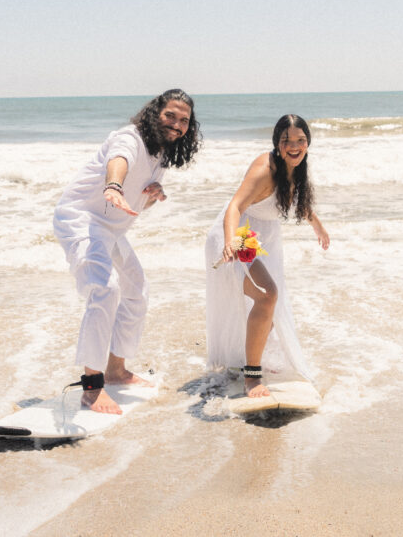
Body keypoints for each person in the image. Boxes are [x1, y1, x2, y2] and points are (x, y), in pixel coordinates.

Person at [54, 89, 201, 414]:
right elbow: (118, 161)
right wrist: (113, 185)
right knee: (105, 290)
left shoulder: (160, 154)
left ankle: (116, 370)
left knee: (136, 290)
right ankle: (91, 389)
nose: (176, 124)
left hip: (111, 230)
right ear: (154, 113)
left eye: (184, 121)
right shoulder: (130, 138)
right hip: (81, 219)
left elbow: (138, 203)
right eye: (170, 116)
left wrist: (153, 194)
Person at [205, 114, 329, 396]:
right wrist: (230, 242)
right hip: (239, 236)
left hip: (265, 240)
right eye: (287, 141)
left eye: (301, 140)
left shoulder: (296, 167)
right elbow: (234, 206)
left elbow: (297, 200)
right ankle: (252, 377)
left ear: (308, 143)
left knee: (269, 304)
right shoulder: (265, 169)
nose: (294, 146)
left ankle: (248, 361)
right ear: (277, 143)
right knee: (268, 294)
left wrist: (318, 227)